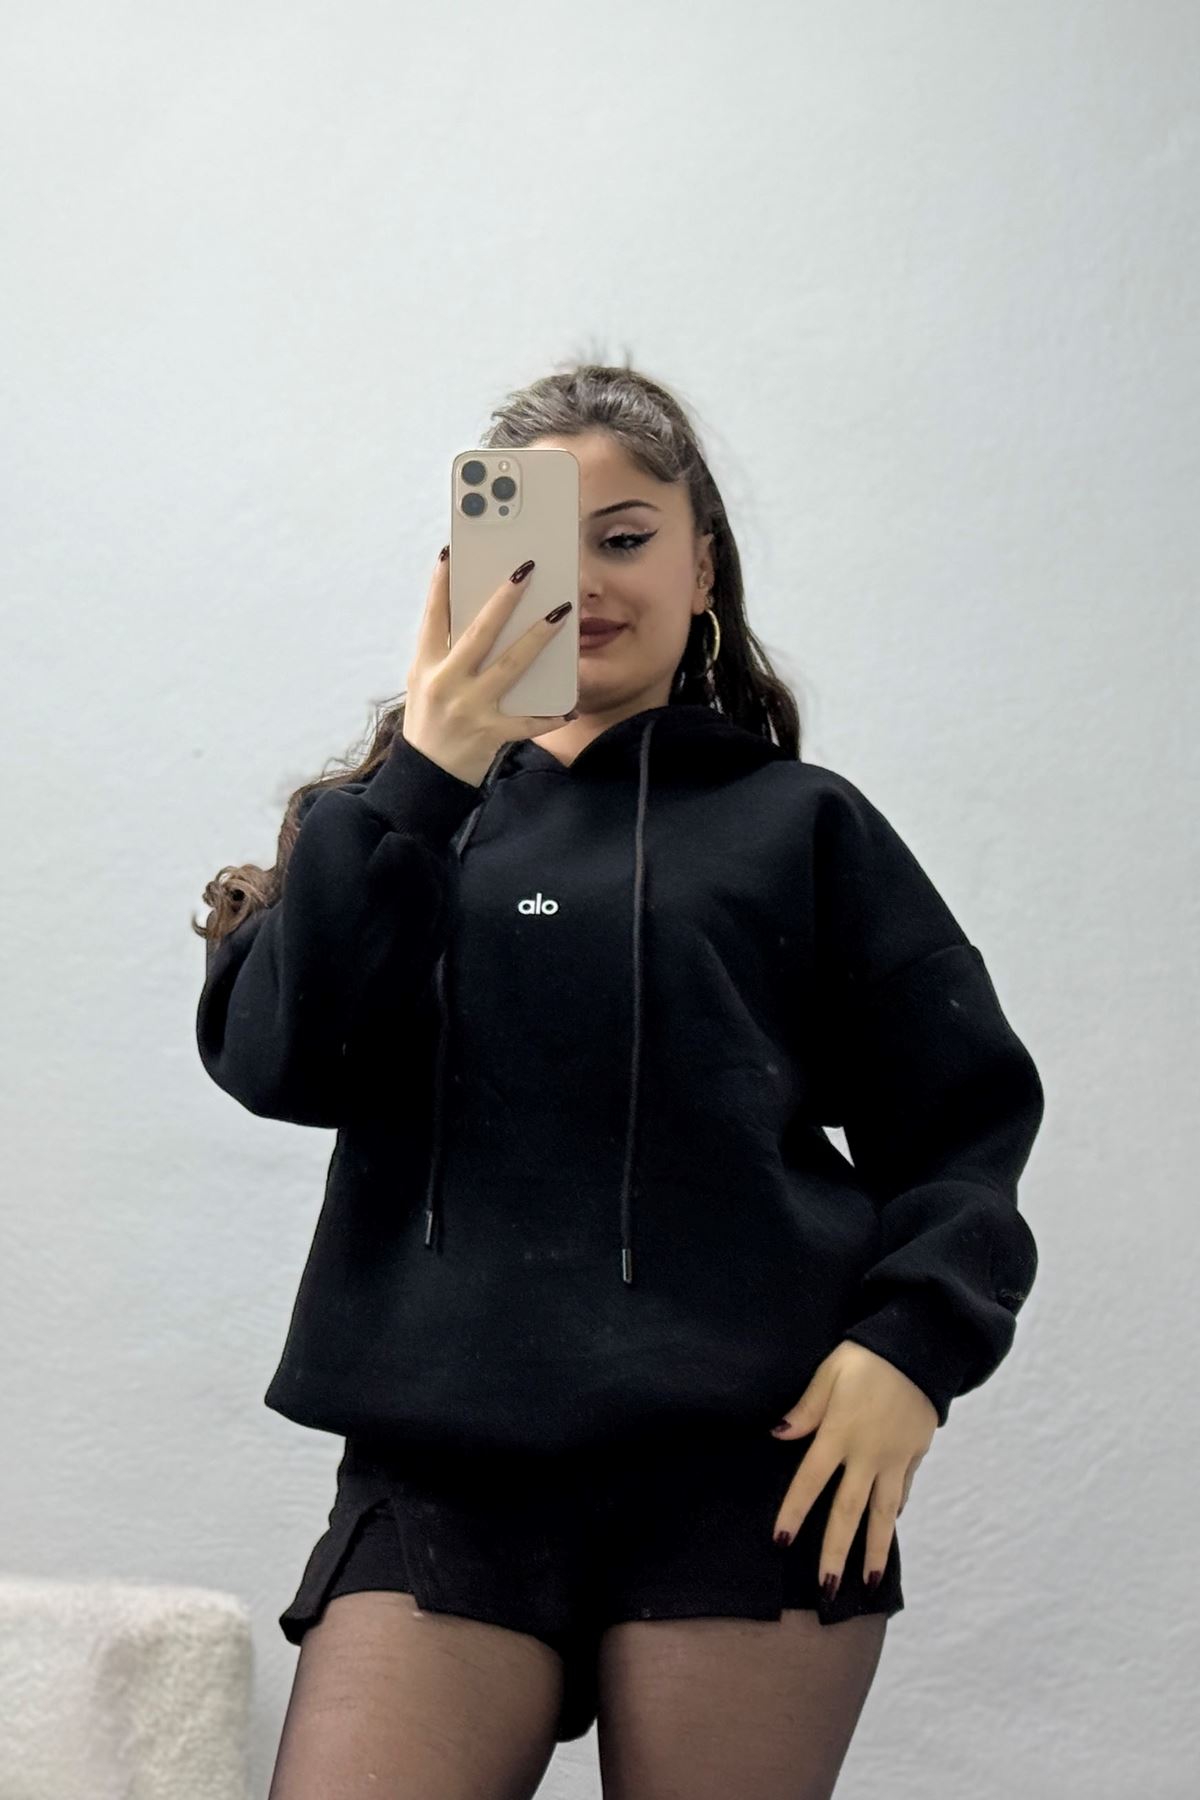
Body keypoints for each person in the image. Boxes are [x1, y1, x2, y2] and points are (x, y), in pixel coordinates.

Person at [194, 363, 1044, 1800]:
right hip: (443, 1472)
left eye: (628, 537)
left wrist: (914, 1346)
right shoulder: (384, 831)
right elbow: (282, 1058)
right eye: (535, 546)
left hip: (750, 1466)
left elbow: (964, 1123)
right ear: (465, 573)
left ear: (702, 565)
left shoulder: (803, 826)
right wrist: (431, 769)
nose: (583, 582)